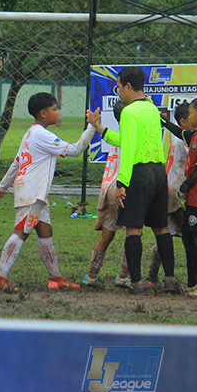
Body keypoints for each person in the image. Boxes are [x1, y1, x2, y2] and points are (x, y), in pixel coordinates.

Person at [0, 93, 97, 290]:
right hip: (32, 194)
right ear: (44, 113)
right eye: (55, 109)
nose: (58, 112)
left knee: (45, 232)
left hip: (33, 193)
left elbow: (17, 162)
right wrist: (92, 127)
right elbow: (74, 150)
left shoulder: (31, 133)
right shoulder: (42, 135)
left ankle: (55, 279)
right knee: (21, 232)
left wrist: (2, 187)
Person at [89, 67, 178, 294]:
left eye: (118, 87)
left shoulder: (129, 112)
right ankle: (170, 279)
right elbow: (127, 139)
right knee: (161, 228)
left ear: (128, 86)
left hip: (139, 174)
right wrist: (100, 128)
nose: (118, 92)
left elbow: (128, 150)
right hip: (158, 172)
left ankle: (136, 282)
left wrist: (121, 184)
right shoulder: (152, 108)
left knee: (134, 229)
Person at [162, 97, 197, 296]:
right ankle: (193, 282)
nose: (188, 115)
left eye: (191, 112)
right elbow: (179, 132)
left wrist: (184, 187)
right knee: (189, 237)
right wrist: (163, 121)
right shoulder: (195, 135)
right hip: (192, 197)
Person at [81, 101, 131, 288]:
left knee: (106, 235)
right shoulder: (130, 136)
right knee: (132, 233)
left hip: (107, 188)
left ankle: (90, 276)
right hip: (121, 189)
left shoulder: (115, 135)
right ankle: (123, 277)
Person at [146, 103, 191, 288]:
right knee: (190, 236)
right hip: (178, 194)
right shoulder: (186, 139)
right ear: (183, 122)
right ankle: (194, 279)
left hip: (168, 190)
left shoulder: (174, 138)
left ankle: (152, 276)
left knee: (165, 233)